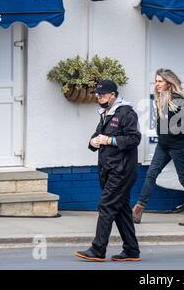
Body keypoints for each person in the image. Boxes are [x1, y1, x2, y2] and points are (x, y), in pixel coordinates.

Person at [75, 80, 142, 262]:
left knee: (106, 206)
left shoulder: (126, 112)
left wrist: (108, 141)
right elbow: (98, 134)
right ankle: (131, 250)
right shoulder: (105, 113)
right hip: (108, 169)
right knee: (120, 209)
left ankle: (98, 249)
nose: (99, 98)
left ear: (113, 94)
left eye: (102, 95)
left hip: (122, 170)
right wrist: (93, 142)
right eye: (97, 95)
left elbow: (134, 138)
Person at [132, 68, 184, 226]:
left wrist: (170, 129)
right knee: (151, 174)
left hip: (178, 146)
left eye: (160, 81)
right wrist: (162, 132)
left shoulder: (178, 99)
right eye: (156, 81)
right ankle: (138, 211)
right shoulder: (162, 98)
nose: (157, 84)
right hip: (163, 145)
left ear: (169, 83)